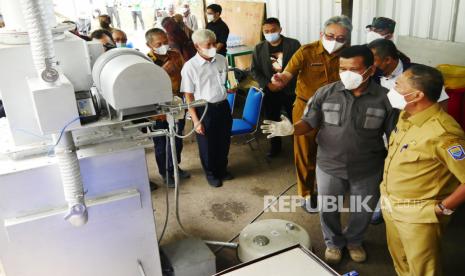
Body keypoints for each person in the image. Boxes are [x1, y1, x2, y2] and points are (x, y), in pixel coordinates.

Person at [262, 45, 397, 264]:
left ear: (370, 70)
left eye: (353, 69)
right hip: (329, 165)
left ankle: (354, 241)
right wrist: (292, 129)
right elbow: (309, 122)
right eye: (342, 68)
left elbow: (394, 136)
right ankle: (333, 243)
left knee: (361, 210)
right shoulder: (325, 93)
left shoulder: (386, 99)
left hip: (367, 167)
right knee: (328, 208)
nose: (346, 74)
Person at [380, 64, 465, 276]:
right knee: (400, 259)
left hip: (419, 215)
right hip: (391, 204)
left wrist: (443, 209)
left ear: (416, 95)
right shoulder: (406, 115)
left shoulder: (443, 133)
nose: (392, 87)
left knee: (422, 269)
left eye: (398, 84)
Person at [270, 15, 352, 211]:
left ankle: (329, 188)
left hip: (338, 110)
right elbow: (287, 74)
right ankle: (305, 193)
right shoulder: (306, 51)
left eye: (340, 39)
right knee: (305, 152)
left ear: (347, 39)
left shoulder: (350, 54)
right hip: (306, 108)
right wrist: (281, 80)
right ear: (321, 34)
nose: (334, 42)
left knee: (334, 150)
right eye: (330, 36)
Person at [181, 29, 233, 188]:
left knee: (223, 141)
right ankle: (211, 174)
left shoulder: (222, 59)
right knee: (208, 145)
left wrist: (230, 87)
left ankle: (222, 169)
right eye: (208, 44)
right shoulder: (190, 67)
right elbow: (188, 96)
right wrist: (196, 121)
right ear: (197, 46)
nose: (213, 47)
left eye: (214, 43)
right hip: (204, 109)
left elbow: (227, 81)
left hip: (223, 106)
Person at [145, 28, 190, 186]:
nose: (164, 45)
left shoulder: (176, 55)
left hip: (177, 105)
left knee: (177, 139)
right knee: (162, 144)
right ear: (150, 45)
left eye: (166, 41)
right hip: (158, 111)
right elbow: (145, 87)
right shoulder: (146, 62)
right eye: (159, 43)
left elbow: (186, 74)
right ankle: (165, 173)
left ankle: (175, 167)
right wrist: (163, 72)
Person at [250, 17, 301, 157]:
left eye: (273, 30)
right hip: (271, 91)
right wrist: (268, 84)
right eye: (266, 31)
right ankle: (275, 147)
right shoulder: (259, 48)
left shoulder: (293, 44)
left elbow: (300, 67)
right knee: (271, 118)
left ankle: (298, 146)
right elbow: (254, 70)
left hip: (291, 90)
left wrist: (286, 81)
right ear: (263, 32)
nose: (270, 33)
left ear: (280, 29)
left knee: (295, 118)